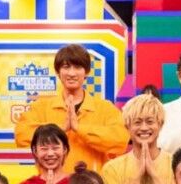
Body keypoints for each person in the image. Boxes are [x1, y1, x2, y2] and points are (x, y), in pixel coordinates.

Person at [14, 43, 127, 173]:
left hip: (91, 183)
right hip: (52, 183)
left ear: (87, 72)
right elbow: (21, 136)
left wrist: (79, 129)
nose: (72, 73)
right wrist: (60, 129)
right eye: (66, 67)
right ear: (58, 72)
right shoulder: (41, 107)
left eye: (78, 67)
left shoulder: (105, 108)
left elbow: (120, 141)